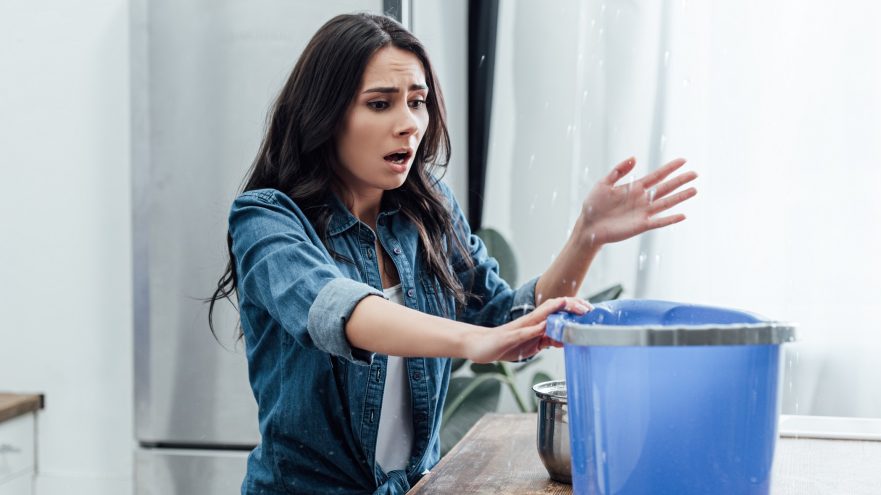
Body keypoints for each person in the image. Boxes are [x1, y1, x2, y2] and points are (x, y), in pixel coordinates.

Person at [208, 12, 697, 495]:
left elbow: (506, 319)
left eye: (417, 102)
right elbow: (339, 311)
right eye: (380, 104)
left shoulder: (427, 213)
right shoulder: (266, 220)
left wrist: (587, 235)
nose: (409, 125)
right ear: (325, 115)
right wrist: (474, 341)